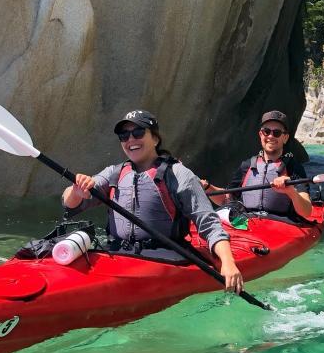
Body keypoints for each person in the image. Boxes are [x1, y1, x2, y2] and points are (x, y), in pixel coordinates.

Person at [61, 109, 243, 293]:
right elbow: (69, 203)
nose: (130, 139)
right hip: (118, 252)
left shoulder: (178, 174)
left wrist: (228, 263)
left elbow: (209, 223)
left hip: (164, 256)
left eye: (138, 132)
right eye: (124, 135)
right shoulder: (113, 173)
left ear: (155, 139)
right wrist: (77, 190)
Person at [206, 110, 313, 221]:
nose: (271, 136)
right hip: (249, 222)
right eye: (266, 131)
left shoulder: (294, 168)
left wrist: (291, 191)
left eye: (277, 133)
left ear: (285, 138)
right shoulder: (247, 166)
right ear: (261, 135)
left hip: (281, 224)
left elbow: (306, 211)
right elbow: (226, 199)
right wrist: (207, 187)